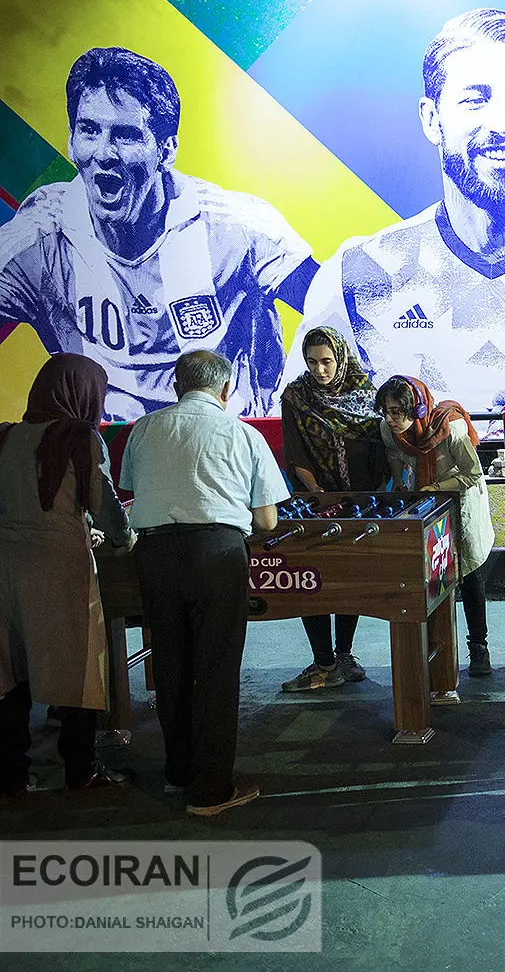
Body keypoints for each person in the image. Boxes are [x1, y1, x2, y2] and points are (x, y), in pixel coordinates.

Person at [284, 8, 505, 413]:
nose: (502, 124)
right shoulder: (356, 278)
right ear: (432, 119)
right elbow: (297, 426)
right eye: (475, 100)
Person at [0, 47, 317, 421]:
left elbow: (333, 309)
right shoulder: (40, 240)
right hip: (110, 444)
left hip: (223, 435)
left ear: (166, 150)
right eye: (89, 130)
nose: (104, 152)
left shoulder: (234, 230)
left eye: (126, 135)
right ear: (71, 141)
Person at [120, 349, 289, 816]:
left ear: (176, 386)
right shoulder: (243, 434)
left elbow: (133, 489)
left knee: (170, 665)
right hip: (217, 554)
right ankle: (211, 790)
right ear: (226, 389)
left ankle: (179, 774)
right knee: (216, 670)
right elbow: (267, 521)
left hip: (154, 555)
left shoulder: (144, 429)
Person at [0, 354, 134, 794]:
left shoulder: (4, 436)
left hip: (5, 567)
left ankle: (12, 774)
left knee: (10, 668)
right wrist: (124, 537)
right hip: (60, 568)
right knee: (77, 664)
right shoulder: (80, 437)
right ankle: (81, 768)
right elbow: (103, 501)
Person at [279, 326, 384, 692]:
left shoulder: (366, 394)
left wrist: (366, 496)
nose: (319, 370)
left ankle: (344, 655)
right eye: (312, 362)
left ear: (340, 358)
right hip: (314, 505)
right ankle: (323, 660)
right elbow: (295, 453)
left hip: (358, 504)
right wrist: (319, 494)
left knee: (347, 576)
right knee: (311, 578)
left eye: (326, 361)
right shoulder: (296, 396)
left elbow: (380, 449)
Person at [376, 375, 496, 676]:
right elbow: (394, 458)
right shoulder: (388, 430)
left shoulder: (450, 427)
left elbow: (472, 473)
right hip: (425, 505)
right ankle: (435, 648)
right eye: (386, 411)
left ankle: (479, 647)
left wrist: (435, 488)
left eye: (396, 412)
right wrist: (402, 487)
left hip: (461, 500)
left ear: (417, 408)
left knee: (469, 573)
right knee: (431, 575)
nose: (390, 419)